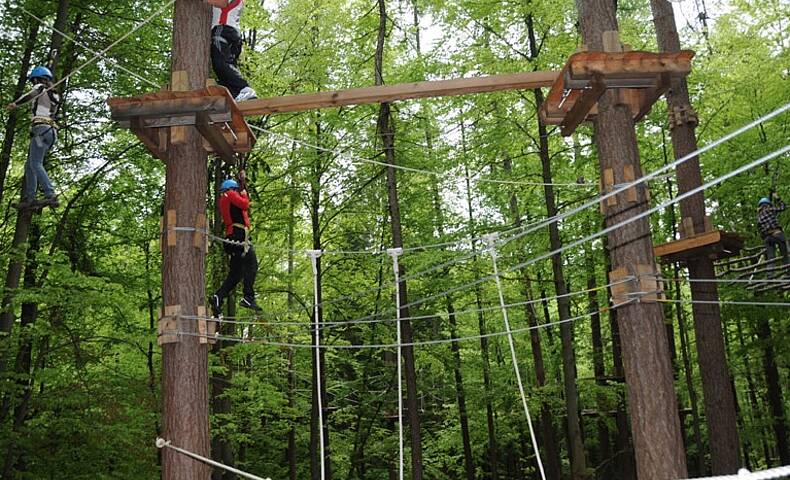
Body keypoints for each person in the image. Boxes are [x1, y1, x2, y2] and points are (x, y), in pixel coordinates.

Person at [6, 66, 60, 209]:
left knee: (35, 163)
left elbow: (31, 94)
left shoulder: (40, 87)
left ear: (37, 79)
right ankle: (30, 198)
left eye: (33, 81)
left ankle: (50, 194)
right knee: (30, 165)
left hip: (41, 129)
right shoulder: (55, 94)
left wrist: (15, 104)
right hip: (50, 132)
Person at [210, 177, 262, 317]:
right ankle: (248, 297)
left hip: (232, 238)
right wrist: (244, 194)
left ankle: (218, 297)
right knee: (252, 264)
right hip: (238, 237)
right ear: (232, 189)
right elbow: (245, 204)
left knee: (236, 274)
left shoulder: (224, 198)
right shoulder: (230, 194)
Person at [205, 0, 257, 102]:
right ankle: (235, 95)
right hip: (232, 34)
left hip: (223, 29)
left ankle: (244, 88)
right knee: (225, 71)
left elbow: (223, 3)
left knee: (220, 63)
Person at [757, 194, 788, 266]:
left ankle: (770, 276)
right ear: (768, 205)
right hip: (777, 234)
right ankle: (788, 273)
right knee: (785, 255)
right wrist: (777, 197)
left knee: (771, 259)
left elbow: (760, 230)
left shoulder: (759, 216)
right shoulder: (770, 210)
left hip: (767, 238)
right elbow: (783, 207)